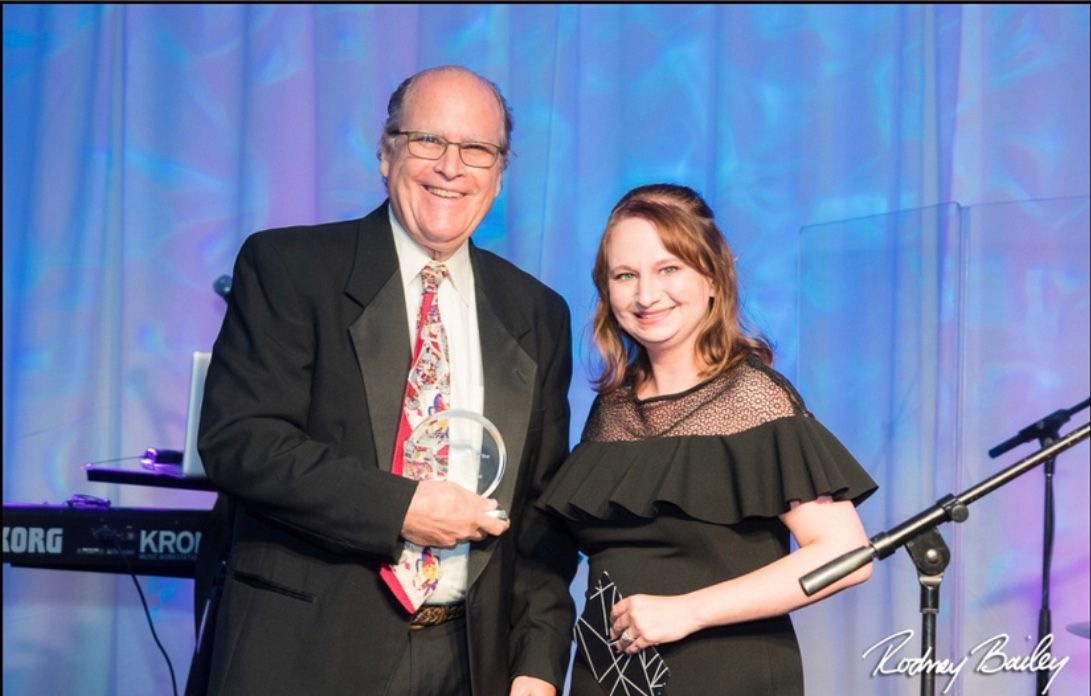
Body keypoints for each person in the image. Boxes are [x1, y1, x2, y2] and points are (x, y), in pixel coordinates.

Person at [196, 65, 573, 696]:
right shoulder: (290, 268)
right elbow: (241, 441)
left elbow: (540, 516)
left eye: (477, 149)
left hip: (470, 663)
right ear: (386, 152)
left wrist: (537, 662)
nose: (452, 167)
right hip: (305, 656)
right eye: (429, 140)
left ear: (500, 172)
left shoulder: (537, 313)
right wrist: (402, 508)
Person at [531, 183, 878, 694]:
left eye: (668, 269)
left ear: (713, 278)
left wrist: (688, 611)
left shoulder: (754, 398)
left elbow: (846, 556)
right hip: (606, 680)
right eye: (625, 276)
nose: (646, 295)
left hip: (725, 677)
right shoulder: (612, 410)